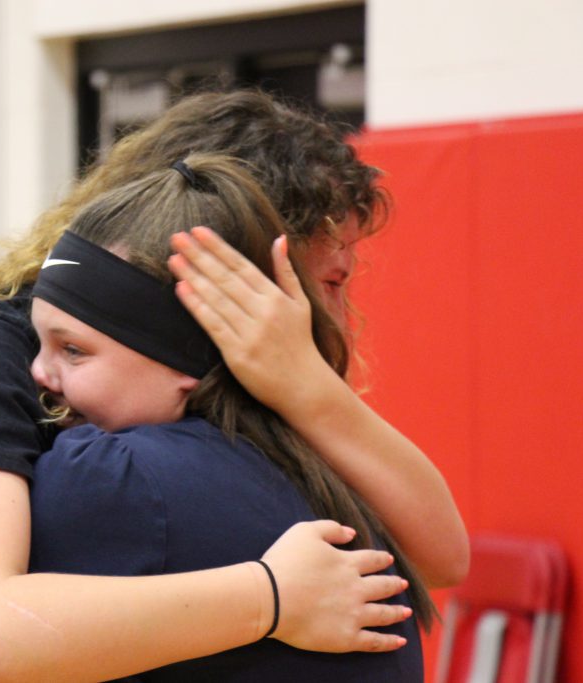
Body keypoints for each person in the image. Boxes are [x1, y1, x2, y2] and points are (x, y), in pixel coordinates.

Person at [0, 90, 467, 682]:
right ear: (218, 276)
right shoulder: (19, 386)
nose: (336, 316)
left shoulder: (210, 423)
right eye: (331, 281)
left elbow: (443, 554)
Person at [28, 153, 427, 680]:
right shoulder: (327, 468)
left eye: (74, 350)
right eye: (38, 342)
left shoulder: (111, 476)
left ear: (180, 359)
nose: (37, 372)